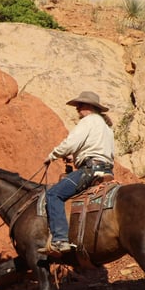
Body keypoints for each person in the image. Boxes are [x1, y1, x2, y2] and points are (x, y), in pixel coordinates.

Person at [39, 91, 115, 256]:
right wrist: (74, 156)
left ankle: (60, 239)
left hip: (90, 170)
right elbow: (98, 149)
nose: (78, 108)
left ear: (90, 107)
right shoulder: (106, 128)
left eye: (81, 104)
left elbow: (70, 143)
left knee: (54, 194)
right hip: (106, 170)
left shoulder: (88, 121)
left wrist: (52, 155)